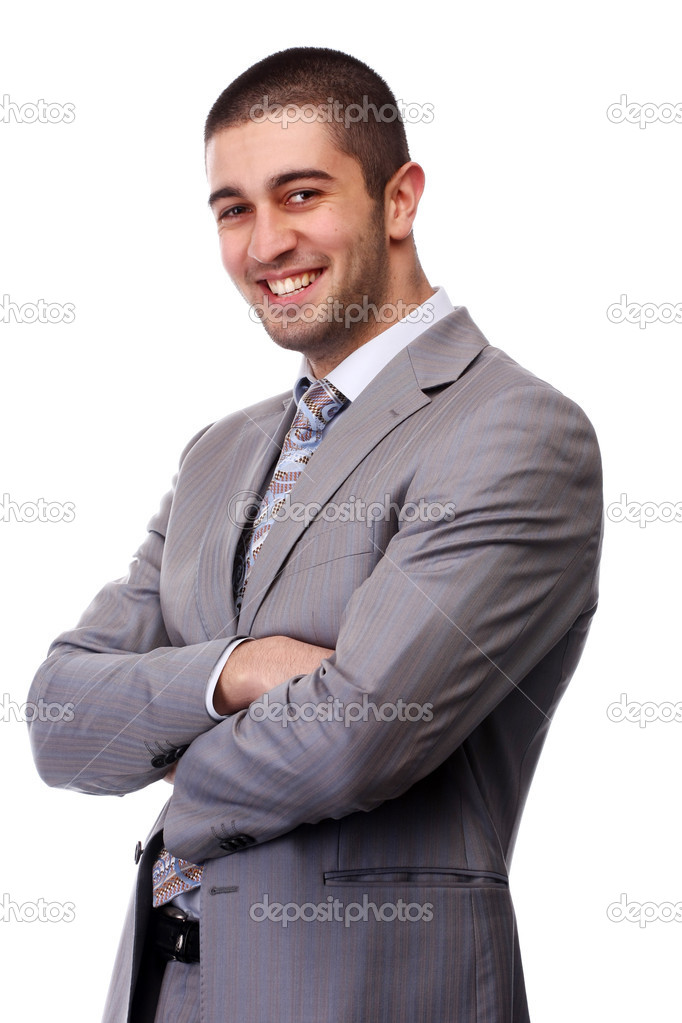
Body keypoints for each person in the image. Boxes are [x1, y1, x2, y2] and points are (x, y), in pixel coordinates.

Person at [27, 46, 603, 1023]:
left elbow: (357, 740)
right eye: (233, 208)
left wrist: (160, 752)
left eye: (300, 194)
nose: (263, 245)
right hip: (163, 988)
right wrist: (237, 670)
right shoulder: (220, 451)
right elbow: (56, 717)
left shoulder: (513, 430)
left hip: (366, 996)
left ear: (399, 198)